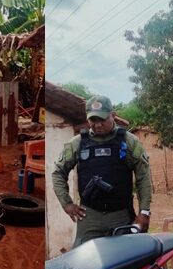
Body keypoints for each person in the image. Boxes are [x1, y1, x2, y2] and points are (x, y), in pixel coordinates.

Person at [51, 95, 152, 247]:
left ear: (113, 115)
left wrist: (144, 212)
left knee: (128, 261)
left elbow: (143, 177)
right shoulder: (77, 143)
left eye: (102, 119)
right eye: (93, 120)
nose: (98, 125)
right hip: (90, 215)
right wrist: (67, 204)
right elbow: (58, 172)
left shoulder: (129, 141)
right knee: (82, 262)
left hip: (121, 214)